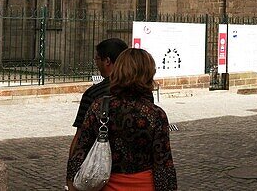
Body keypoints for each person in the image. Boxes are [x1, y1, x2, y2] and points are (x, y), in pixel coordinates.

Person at [67, 47, 176, 191]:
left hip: (106, 185)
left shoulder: (99, 106)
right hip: (143, 185)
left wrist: (70, 183)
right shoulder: (155, 114)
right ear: (148, 74)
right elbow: (163, 164)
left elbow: (80, 150)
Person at [70, 38, 128, 151]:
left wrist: (73, 163)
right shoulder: (142, 92)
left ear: (107, 61)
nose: (96, 63)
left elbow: (80, 136)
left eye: (97, 58)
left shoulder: (93, 94)